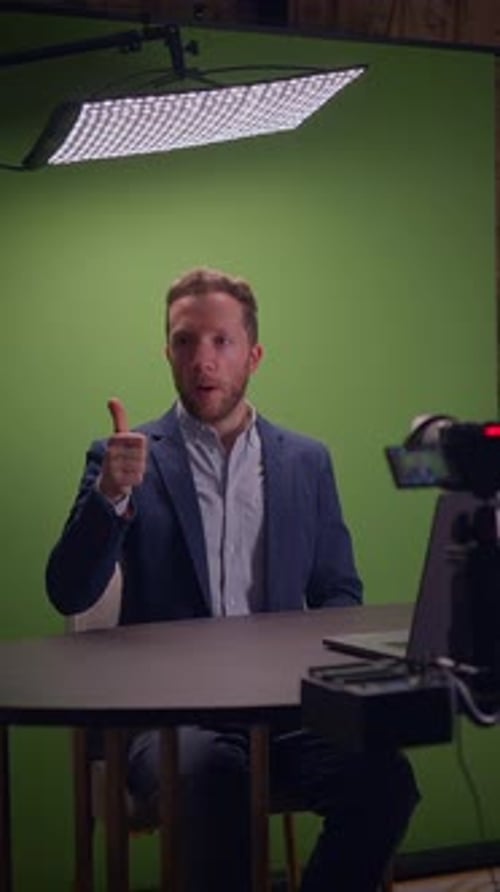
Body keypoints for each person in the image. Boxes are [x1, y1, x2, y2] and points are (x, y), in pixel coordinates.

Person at [46, 266, 419, 892]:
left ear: (254, 353)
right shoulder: (123, 456)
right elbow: (69, 591)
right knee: (215, 780)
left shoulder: (306, 461)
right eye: (186, 342)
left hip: (289, 714)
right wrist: (110, 495)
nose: (203, 360)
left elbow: (338, 595)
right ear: (168, 351)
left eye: (221, 342)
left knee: (386, 784)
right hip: (170, 723)